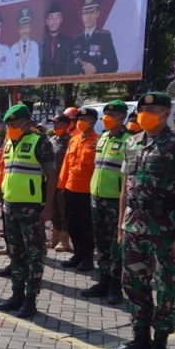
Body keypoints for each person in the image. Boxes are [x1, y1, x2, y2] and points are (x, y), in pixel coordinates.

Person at [110, 92, 175, 349]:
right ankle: (139, 338)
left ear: (166, 112)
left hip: (166, 230)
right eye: (143, 109)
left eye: (153, 109)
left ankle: (160, 343)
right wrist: (121, 225)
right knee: (133, 283)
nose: (146, 114)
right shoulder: (132, 142)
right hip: (134, 225)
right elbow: (126, 187)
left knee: (165, 286)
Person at [0, 104, 56, 318]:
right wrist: (3, 191)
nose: (10, 127)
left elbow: (51, 175)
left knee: (34, 255)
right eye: (8, 124)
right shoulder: (9, 143)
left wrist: (49, 206)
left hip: (32, 208)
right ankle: (17, 295)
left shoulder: (40, 142)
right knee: (16, 253)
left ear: (25, 122)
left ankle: (31, 299)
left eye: (14, 123)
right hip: (11, 206)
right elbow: (8, 171)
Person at [81, 101, 130, 304]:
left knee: (115, 245)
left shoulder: (130, 141)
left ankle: (115, 286)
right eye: (106, 114)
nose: (106, 118)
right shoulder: (102, 139)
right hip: (97, 197)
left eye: (112, 114)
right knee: (101, 243)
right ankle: (103, 280)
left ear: (122, 117)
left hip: (115, 200)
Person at [57, 106, 99, 272]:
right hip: (70, 189)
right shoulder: (73, 139)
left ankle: (88, 258)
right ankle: (77, 255)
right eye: (79, 120)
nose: (81, 123)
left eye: (85, 120)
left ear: (94, 121)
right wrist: (61, 185)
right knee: (73, 225)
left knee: (86, 227)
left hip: (88, 191)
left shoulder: (98, 141)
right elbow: (67, 164)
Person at [71, 0, 118, 75]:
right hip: (78, 83)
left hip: (96, 84)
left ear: (97, 14)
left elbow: (114, 65)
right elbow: (68, 65)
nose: (88, 16)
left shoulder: (104, 37)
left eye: (91, 12)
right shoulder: (75, 40)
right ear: (82, 17)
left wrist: (96, 69)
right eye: (85, 13)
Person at [48, 114, 73, 251]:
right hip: (52, 181)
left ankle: (64, 241)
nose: (55, 126)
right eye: (54, 123)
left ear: (66, 125)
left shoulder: (71, 141)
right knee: (54, 210)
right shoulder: (52, 139)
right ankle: (54, 239)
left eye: (57, 123)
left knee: (64, 212)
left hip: (64, 182)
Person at [40, 2, 73, 78]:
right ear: (47, 21)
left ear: (61, 19)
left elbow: (69, 67)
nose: (54, 21)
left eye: (57, 17)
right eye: (51, 18)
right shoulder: (41, 43)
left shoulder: (68, 42)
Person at [8, 7, 40, 79]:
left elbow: (36, 67)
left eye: (27, 27)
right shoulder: (13, 48)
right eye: (22, 28)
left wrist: (30, 83)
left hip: (31, 84)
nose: (24, 31)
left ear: (30, 28)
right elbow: (10, 70)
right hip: (16, 85)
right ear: (18, 30)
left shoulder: (35, 46)